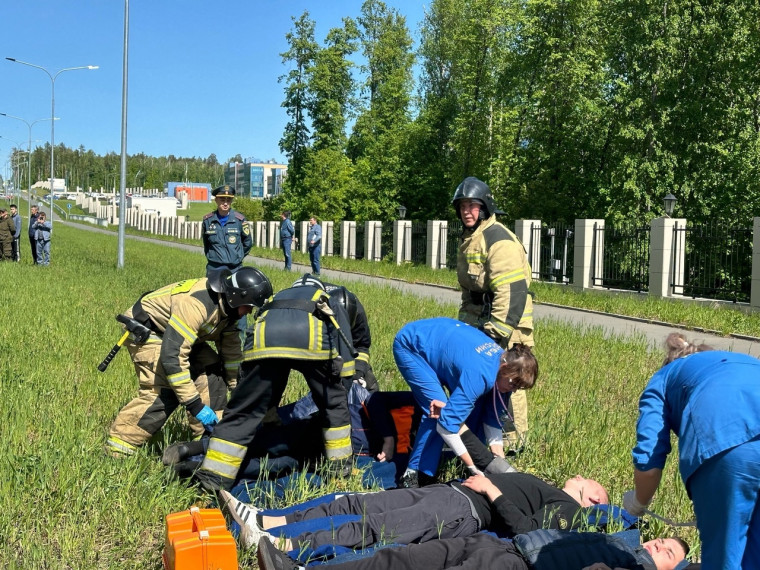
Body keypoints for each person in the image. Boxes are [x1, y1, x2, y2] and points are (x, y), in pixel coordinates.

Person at [194, 275, 358, 491]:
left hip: (265, 341)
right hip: (311, 340)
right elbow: (343, 349)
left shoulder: (278, 297)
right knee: (333, 407)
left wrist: (250, 397)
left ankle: (213, 480)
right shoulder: (327, 297)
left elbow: (254, 366)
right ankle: (340, 474)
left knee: (244, 412)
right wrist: (339, 392)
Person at [624, 332, 760, 569]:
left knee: (725, 557)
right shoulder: (742, 360)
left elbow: (648, 461)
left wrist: (637, 502)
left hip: (727, 440)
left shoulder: (664, 377)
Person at [105, 267, 273, 457]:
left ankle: (206, 440)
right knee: (165, 390)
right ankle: (119, 447)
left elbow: (231, 355)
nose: (250, 311)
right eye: (249, 306)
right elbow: (173, 358)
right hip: (148, 331)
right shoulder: (196, 304)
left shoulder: (229, 310)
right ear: (237, 297)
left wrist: (239, 391)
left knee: (212, 371)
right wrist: (194, 405)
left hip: (179, 336)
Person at [223, 471, 608, 552]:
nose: (595, 499)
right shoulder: (551, 487)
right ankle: (267, 519)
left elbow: (527, 531)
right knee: (357, 503)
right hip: (450, 492)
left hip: (463, 508)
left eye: (598, 496)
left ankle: (286, 545)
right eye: (594, 487)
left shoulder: (569, 510)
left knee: (375, 526)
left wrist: (491, 489)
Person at [393, 317, 538, 487]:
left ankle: (461, 464)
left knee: (477, 406)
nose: (514, 390)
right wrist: (472, 467)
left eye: (519, 388)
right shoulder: (480, 375)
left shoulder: (505, 375)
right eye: (514, 384)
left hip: (445, 344)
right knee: (436, 409)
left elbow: (492, 420)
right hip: (413, 346)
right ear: (504, 369)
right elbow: (446, 425)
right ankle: (415, 475)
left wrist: (500, 465)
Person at [452, 177, 535, 452]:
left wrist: (496, 333)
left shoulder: (499, 240)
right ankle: (482, 436)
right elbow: (469, 291)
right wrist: (464, 329)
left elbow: (511, 294)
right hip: (480, 320)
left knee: (510, 377)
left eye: (473, 205)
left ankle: (513, 444)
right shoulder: (470, 240)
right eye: (463, 205)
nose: (467, 211)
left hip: (508, 324)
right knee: (484, 378)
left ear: (485, 207)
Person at [256, 529, 688, 570]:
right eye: (663, 539)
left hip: (517, 568)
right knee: (397, 558)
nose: (658, 545)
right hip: (499, 546)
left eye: (668, 551)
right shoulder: (620, 542)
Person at [201, 185, 252, 278]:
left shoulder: (239, 220)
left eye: (228, 200)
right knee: (211, 292)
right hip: (214, 267)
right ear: (216, 200)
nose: (225, 203)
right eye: (222, 200)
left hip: (234, 268)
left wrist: (237, 256)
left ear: (231, 201)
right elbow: (206, 244)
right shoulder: (208, 220)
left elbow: (247, 242)